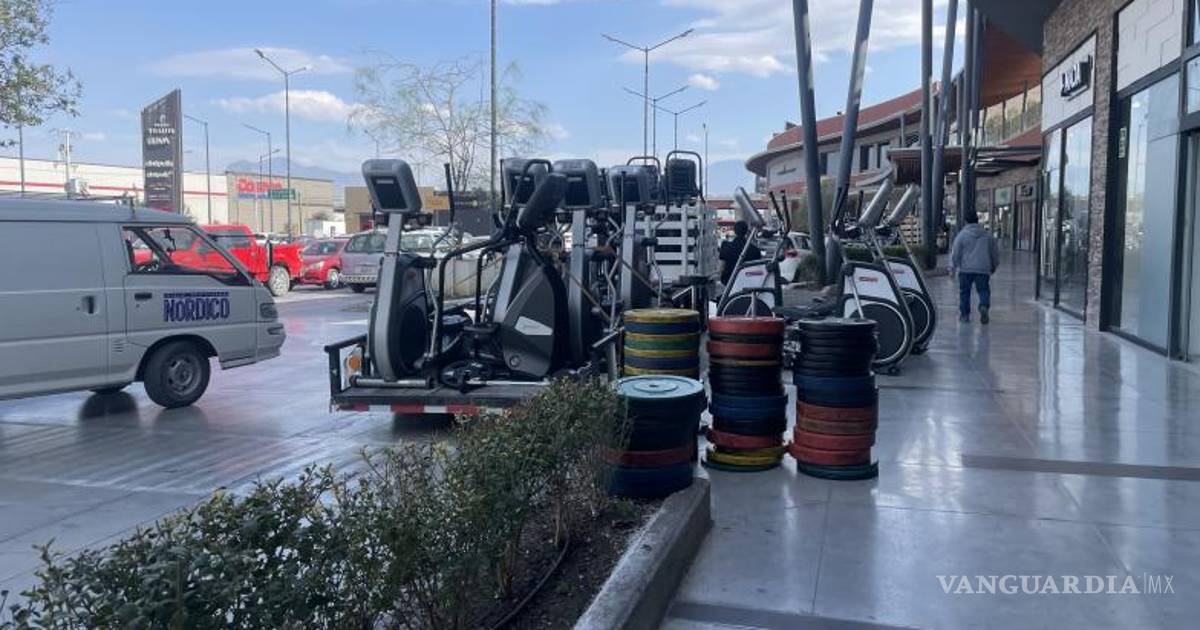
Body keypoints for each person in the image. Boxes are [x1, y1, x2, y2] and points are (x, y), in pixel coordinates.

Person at [949, 211, 1000, 324]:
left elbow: (955, 253)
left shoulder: (961, 236)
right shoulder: (987, 235)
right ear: (977, 221)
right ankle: (984, 306)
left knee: (965, 292)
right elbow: (994, 252)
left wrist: (952, 268)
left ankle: (965, 315)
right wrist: (994, 265)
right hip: (983, 268)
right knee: (983, 290)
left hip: (965, 269)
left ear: (966, 222)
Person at [719, 220, 762, 285]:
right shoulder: (755, 250)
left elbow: (722, 267)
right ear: (746, 232)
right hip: (748, 281)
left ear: (734, 231)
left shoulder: (725, 246)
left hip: (728, 281)